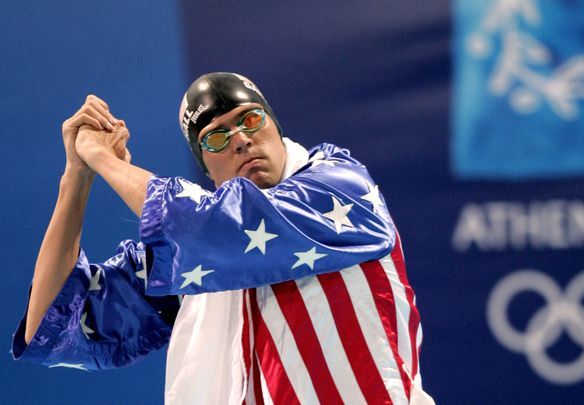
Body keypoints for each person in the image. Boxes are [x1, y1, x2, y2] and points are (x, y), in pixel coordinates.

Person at [13, 72, 433, 404]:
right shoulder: (192, 261)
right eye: (216, 136)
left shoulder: (338, 186)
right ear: (205, 166)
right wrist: (77, 177)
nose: (241, 139)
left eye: (251, 119)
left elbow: (214, 227)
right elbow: (54, 323)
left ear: (274, 124)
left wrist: (103, 158)